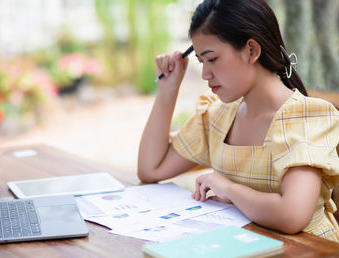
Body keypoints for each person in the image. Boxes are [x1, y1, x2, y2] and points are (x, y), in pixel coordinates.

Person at [137, 0, 339, 242]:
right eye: (201, 62)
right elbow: (151, 169)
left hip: (311, 256)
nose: (205, 74)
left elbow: (292, 215)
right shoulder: (218, 116)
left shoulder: (304, 117)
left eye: (212, 59)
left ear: (252, 50)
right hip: (247, 250)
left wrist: (228, 189)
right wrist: (168, 90)